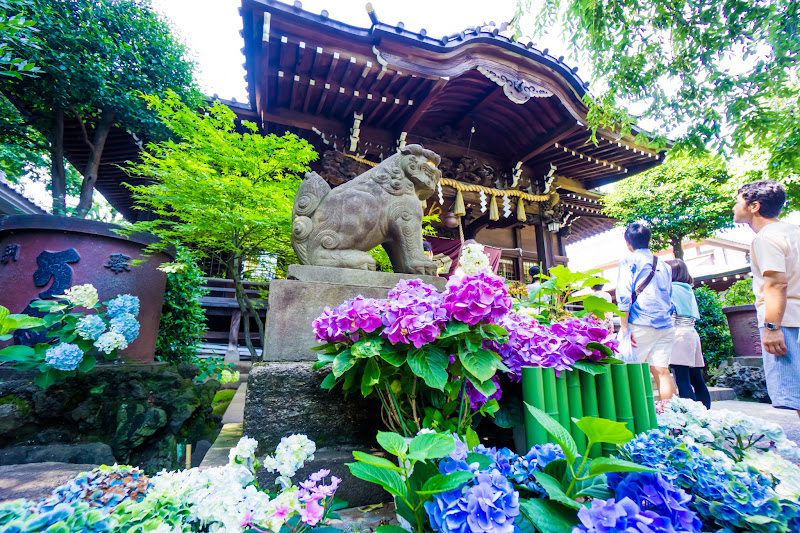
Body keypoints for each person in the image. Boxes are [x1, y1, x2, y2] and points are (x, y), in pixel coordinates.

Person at [733, 180, 800, 417]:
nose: (734, 206)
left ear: (754, 206)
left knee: (797, 397)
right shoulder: (794, 232)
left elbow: (776, 283)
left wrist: (772, 327)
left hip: (788, 323)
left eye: (738, 201)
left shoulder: (765, 237)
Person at [616, 222, 677, 400]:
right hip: (665, 324)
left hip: (640, 322)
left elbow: (624, 294)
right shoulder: (664, 265)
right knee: (662, 371)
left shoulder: (628, 260)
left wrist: (624, 326)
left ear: (628, 243)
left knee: (628, 370)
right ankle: (671, 416)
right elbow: (669, 296)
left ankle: (636, 414)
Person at [665, 259, 711, 408]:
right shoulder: (688, 289)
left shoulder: (670, 289)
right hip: (692, 333)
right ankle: (706, 411)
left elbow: (671, 317)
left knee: (682, 379)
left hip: (678, 335)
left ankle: (691, 414)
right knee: (696, 378)